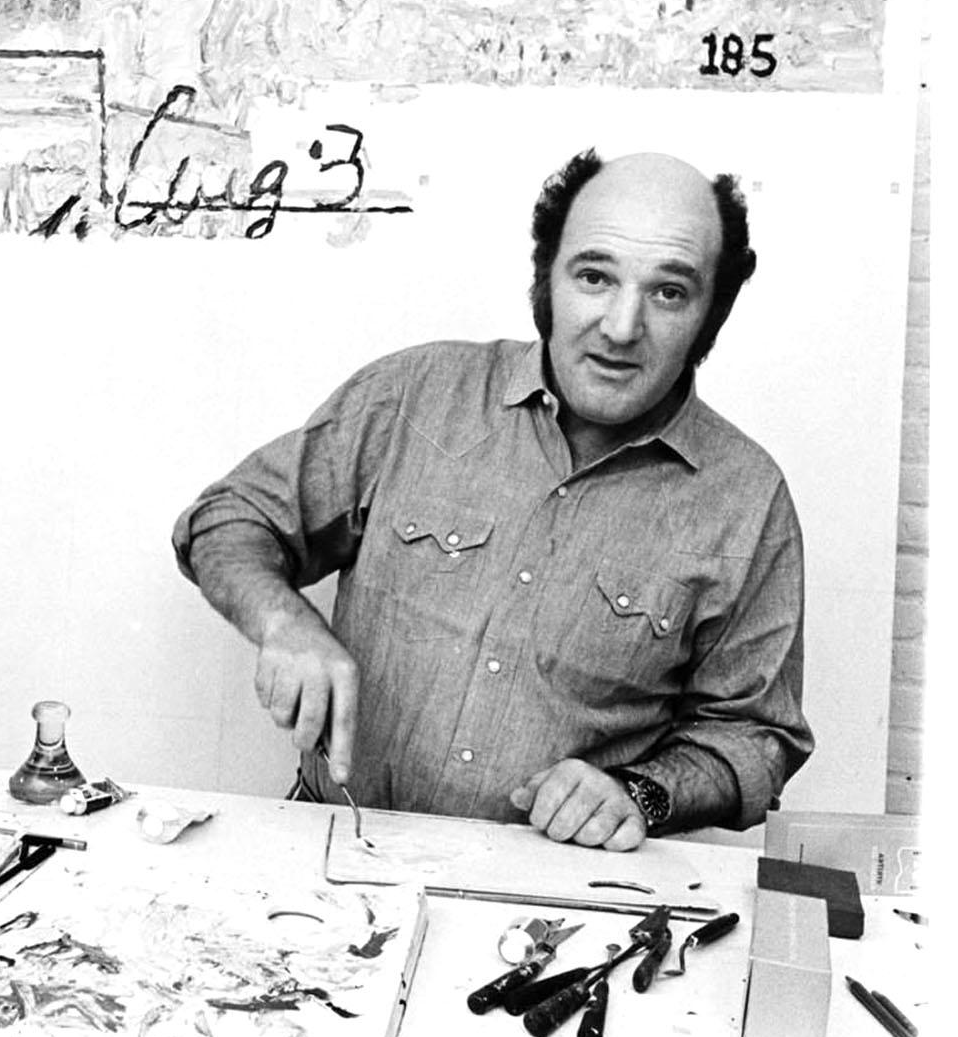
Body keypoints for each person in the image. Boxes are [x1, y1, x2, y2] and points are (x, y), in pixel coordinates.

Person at [171, 149, 811, 850]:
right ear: (547, 278)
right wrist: (284, 622)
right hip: (336, 853)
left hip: (561, 901)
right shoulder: (416, 393)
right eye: (594, 277)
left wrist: (642, 794)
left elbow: (757, 738)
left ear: (712, 312)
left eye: (669, 292)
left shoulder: (748, 498)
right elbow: (229, 519)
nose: (622, 328)